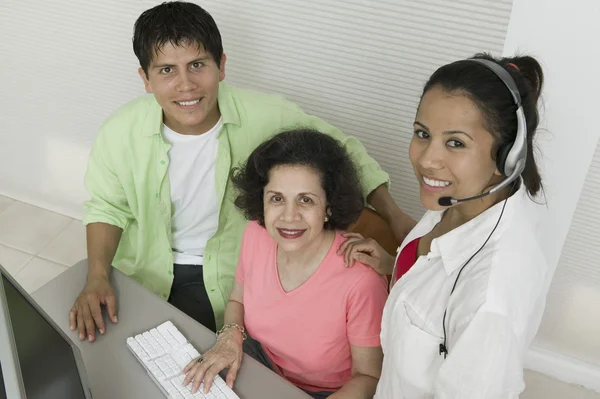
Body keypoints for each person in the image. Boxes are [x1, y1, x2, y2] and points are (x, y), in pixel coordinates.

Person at [68, 0, 412, 341]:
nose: (186, 84)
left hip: (235, 275)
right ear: (145, 78)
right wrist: (97, 275)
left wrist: (396, 218)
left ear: (221, 65)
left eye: (197, 64)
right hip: (148, 272)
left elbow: (343, 151)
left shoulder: (267, 115)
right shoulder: (119, 131)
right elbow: (106, 207)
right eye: (166, 70)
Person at [340, 53, 550, 398]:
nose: (426, 160)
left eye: (456, 143)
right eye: (422, 134)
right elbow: (435, 290)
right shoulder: (459, 198)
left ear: (507, 155)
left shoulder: (491, 300)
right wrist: (397, 267)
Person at [182, 129, 389, 399]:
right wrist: (230, 336)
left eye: (306, 200)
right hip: (257, 365)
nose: (289, 217)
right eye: (277, 198)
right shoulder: (256, 235)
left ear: (328, 206)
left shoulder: (361, 279)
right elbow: (237, 301)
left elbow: (369, 377)